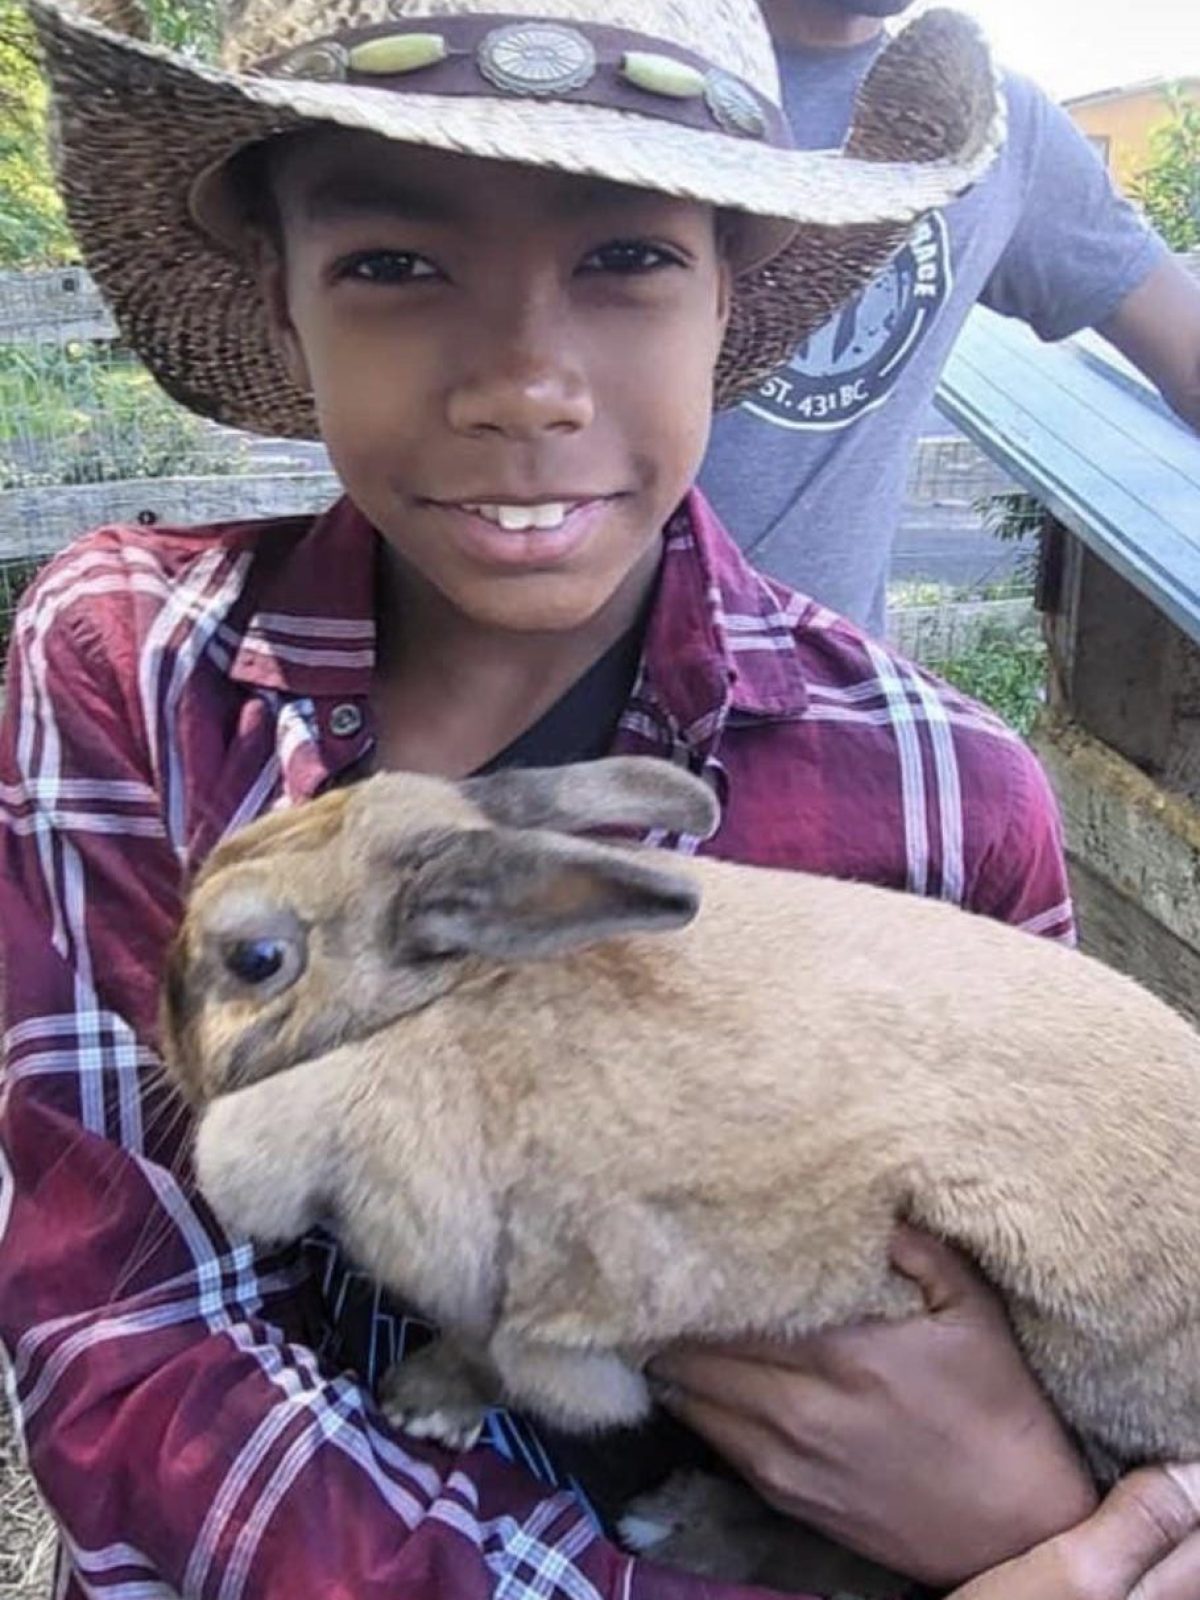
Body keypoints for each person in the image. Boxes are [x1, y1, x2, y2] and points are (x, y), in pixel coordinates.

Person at [0, 1, 1194, 1596]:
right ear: (283, 309)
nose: (523, 384)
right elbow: (130, 1346)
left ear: (733, 306)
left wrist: (1029, 1515)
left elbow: (1105, 1302)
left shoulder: (941, 792)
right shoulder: (132, 672)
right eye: (394, 265)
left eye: (626, 260)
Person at [699, 0, 1200, 635]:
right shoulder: (622, 77)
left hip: (824, 702)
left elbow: (1188, 354)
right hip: (571, 691)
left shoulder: (986, 124)